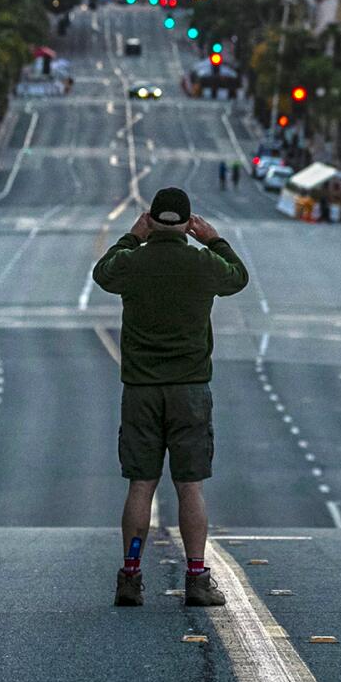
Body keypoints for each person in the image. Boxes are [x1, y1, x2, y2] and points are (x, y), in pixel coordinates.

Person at [91, 186, 250, 608]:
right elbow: (239, 277)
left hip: (141, 391)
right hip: (191, 389)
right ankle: (197, 578)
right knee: (189, 487)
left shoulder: (133, 262)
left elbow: (102, 273)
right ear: (186, 222)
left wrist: (132, 236)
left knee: (140, 485)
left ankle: (131, 574)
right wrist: (214, 239)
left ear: (151, 221)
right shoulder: (202, 264)